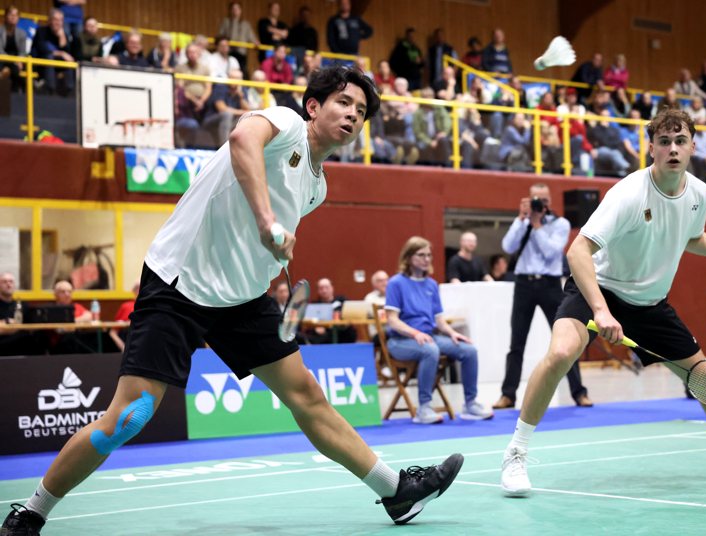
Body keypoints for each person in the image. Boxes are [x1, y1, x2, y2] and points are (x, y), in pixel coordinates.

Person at [1, 65, 463, 535]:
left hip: (241, 298)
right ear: (313, 106)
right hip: (179, 283)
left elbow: (255, 238)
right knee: (129, 416)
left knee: (308, 397)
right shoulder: (282, 125)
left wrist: (272, 258)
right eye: (344, 102)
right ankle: (32, 509)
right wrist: (267, 222)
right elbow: (243, 141)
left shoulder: (317, 187)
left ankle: (395, 491)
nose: (352, 115)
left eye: (361, 112)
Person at [499, 109, 706, 498]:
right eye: (664, 142)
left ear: (693, 146)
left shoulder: (699, 193)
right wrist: (600, 309)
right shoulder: (628, 193)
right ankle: (516, 454)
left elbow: (691, 237)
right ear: (651, 149)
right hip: (599, 287)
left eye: (680, 141)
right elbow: (578, 251)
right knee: (561, 352)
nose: (673, 149)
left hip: (649, 302)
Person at [494, 183, 591, 410]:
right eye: (535, 200)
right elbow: (507, 246)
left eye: (544, 200)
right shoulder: (524, 222)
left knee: (567, 339)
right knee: (516, 341)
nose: (540, 204)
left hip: (549, 285)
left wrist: (537, 225)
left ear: (550, 201)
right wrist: (521, 219)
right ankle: (508, 395)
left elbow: (552, 251)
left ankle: (579, 393)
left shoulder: (560, 224)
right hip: (523, 284)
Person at [385, 236, 493, 424]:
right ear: (409, 257)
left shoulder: (432, 285)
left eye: (429, 255)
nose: (427, 259)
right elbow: (392, 320)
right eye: (421, 255)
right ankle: (424, 408)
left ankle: (470, 404)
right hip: (401, 341)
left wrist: (453, 333)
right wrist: (415, 333)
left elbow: (439, 321)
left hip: (430, 337)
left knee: (469, 350)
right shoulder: (396, 283)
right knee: (430, 350)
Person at [108, 283, 139, 352]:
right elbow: (113, 331)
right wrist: (123, 346)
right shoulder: (126, 306)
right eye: (137, 289)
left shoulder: (149, 306)